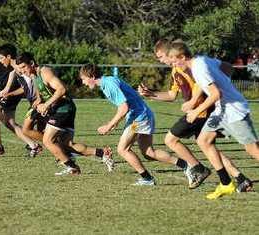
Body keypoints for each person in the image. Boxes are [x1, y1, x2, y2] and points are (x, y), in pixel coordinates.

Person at [138, 39, 253, 192]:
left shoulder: (186, 66)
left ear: (170, 53)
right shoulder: (175, 71)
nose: (161, 60)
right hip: (200, 111)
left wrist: (193, 102)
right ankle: (239, 177)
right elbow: (172, 95)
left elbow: (200, 83)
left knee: (170, 139)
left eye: (161, 56)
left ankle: (197, 168)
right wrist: (151, 94)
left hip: (201, 111)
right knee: (207, 145)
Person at [79, 64, 198, 186]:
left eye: (84, 79)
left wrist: (109, 125)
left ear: (92, 76)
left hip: (139, 118)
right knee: (148, 152)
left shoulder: (109, 84)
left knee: (122, 149)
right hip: (143, 115)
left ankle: (147, 179)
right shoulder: (108, 82)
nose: (84, 83)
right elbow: (126, 104)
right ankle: (186, 166)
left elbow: (124, 108)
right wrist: (116, 122)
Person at [168, 41, 259, 199]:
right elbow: (228, 68)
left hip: (234, 110)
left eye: (175, 61)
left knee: (253, 150)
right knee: (204, 140)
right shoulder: (203, 59)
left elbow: (216, 94)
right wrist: (224, 82)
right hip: (221, 110)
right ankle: (226, 183)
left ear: (183, 56)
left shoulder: (198, 69)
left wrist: (196, 111)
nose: (174, 65)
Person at [16, 52, 114, 174]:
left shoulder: (45, 72)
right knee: (67, 145)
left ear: (31, 63)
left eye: (24, 67)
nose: (22, 71)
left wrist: (46, 105)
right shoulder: (34, 76)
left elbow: (62, 89)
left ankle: (71, 166)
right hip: (61, 108)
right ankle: (102, 153)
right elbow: (40, 94)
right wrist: (38, 102)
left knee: (47, 140)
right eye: (20, 69)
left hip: (64, 108)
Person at [0, 43, 41, 157]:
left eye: (1, 58)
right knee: (10, 122)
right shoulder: (14, 67)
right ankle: (34, 145)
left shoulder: (20, 67)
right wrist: (6, 89)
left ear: (9, 57)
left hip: (27, 98)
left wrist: (9, 93)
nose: (0, 61)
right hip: (14, 95)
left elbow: (30, 82)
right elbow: (12, 73)